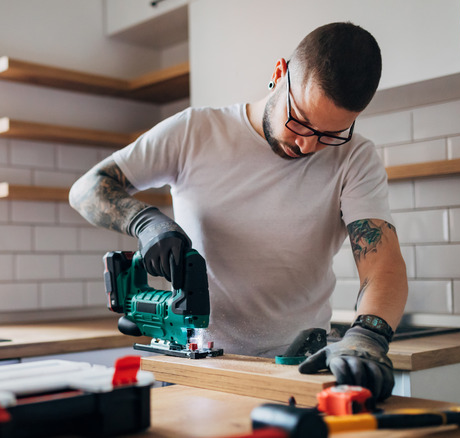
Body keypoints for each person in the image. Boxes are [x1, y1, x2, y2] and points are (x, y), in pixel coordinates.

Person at [69, 22, 408, 401]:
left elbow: (383, 266)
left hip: (298, 369)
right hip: (194, 366)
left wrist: (368, 334)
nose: (307, 144)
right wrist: (145, 222)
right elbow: (87, 187)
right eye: (300, 121)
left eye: (330, 135)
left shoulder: (355, 158)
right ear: (279, 75)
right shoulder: (195, 131)